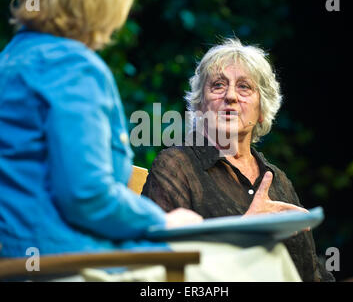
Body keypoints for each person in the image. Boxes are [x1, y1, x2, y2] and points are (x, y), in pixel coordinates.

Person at [0, 0, 202, 262]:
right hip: (62, 260)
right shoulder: (71, 66)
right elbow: (87, 196)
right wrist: (162, 222)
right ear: (105, 0)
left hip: (12, 254)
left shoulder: (6, 63)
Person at [142, 38, 336, 282]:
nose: (230, 96)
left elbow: (311, 273)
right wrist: (243, 232)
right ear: (200, 106)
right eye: (218, 85)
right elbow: (157, 269)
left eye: (244, 87)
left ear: (262, 110)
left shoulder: (279, 181)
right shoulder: (176, 166)